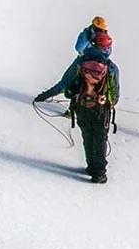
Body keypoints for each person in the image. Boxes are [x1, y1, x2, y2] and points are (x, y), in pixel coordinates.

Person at [34, 33, 120, 184]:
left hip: (81, 106)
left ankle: (90, 165)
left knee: (87, 134)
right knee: (100, 138)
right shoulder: (110, 67)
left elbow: (65, 83)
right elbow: (115, 92)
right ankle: (99, 172)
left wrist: (45, 95)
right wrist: (111, 102)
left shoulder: (81, 61)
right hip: (101, 108)